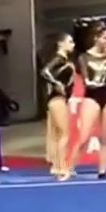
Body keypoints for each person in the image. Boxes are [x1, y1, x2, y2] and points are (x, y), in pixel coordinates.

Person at [65, 25, 106, 181]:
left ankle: (102, 171)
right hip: (92, 95)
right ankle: (69, 169)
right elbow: (90, 81)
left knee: (105, 137)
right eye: (105, 38)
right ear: (96, 38)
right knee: (83, 136)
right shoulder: (84, 57)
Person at [40, 32, 76, 178]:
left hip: (57, 99)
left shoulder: (63, 60)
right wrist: (57, 84)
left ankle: (56, 165)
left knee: (57, 134)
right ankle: (62, 166)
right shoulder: (59, 59)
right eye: (70, 42)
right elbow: (45, 72)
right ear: (61, 43)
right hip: (57, 98)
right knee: (64, 134)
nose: (73, 45)